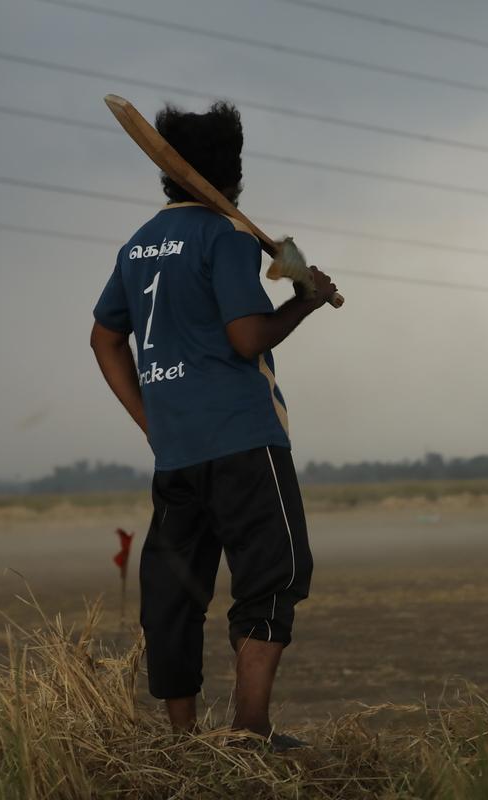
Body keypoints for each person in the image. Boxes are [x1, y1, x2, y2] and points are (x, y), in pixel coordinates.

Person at [89, 101, 338, 750]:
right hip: (243, 441)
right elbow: (246, 337)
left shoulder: (138, 245)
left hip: (176, 454)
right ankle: (251, 732)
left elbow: (104, 340)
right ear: (234, 173)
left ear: (168, 171)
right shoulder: (225, 237)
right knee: (275, 574)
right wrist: (303, 304)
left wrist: (152, 421)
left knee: (175, 594)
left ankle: (182, 740)